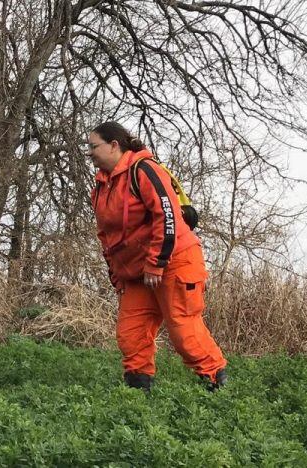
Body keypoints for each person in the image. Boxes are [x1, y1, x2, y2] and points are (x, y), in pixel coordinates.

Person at [87, 121, 227, 392]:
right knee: (131, 332)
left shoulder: (144, 170)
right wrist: (116, 273)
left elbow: (168, 218)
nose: (90, 153)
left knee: (183, 328)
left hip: (174, 260)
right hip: (137, 272)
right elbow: (106, 235)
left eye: (94, 147)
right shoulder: (101, 187)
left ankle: (215, 381)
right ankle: (138, 390)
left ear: (114, 145)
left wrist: (156, 263)